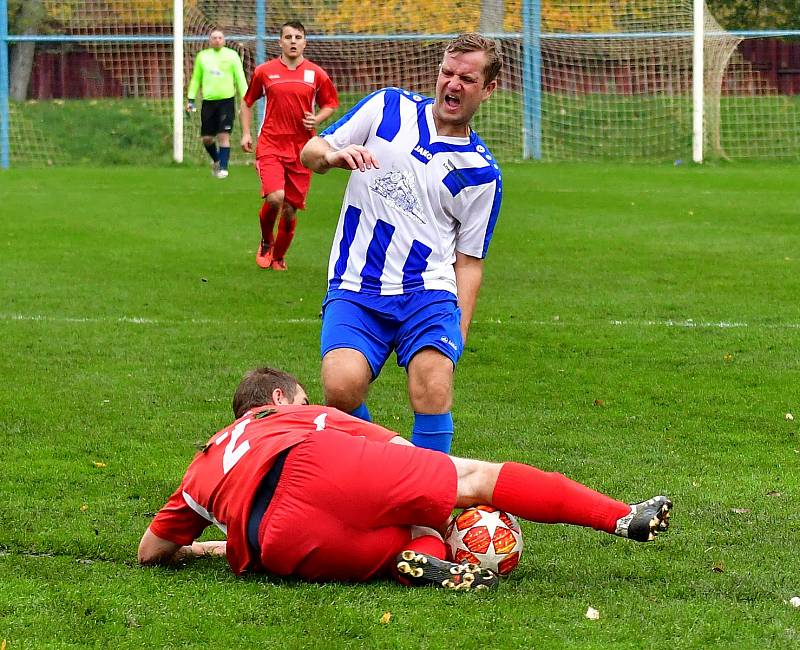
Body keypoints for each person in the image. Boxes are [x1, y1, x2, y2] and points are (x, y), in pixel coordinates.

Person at [138, 367, 674, 591]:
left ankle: (412, 559)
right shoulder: (283, 417)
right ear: (279, 399)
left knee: (399, 544)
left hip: (272, 545)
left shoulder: (200, 468)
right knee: (472, 479)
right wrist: (434, 492)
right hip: (309, 461)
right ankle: (621, 516)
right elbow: (398, 448)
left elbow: (151, 551)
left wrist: (204, 549)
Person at [300, 33, 503, 453]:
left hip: (427, 291)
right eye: (448, 72)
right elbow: (310, 151)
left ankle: (425, 511)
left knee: (433, 384)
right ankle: (389, 464)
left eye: (467, 78)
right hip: (357, 283)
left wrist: (457, 336)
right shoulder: (387, 107)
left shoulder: (482, 173)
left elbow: (468, 262)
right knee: (341, 385)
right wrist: (334, 156)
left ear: (488, 88)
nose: (453, 83)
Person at [240, 21, 339, 271]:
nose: (293, 41)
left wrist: (316, 118)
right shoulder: (265, 71)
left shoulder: (316, 74)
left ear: (305, 42)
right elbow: (247, 102)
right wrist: (244, 133)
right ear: (280, 42)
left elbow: (331, 103)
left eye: (298, 37)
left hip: (303, 150)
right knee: (275, 198)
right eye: (288, 37)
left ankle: (279, 257)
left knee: (290, 210)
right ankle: (266, 241)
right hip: (271, 144)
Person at [186, 29, 248, 179]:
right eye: (214, 37)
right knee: (207, 138)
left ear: (224, 40)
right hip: (208, 102)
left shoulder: (232, 55)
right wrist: (191, 99)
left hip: (226, 101)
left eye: (220, 37)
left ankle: (224, 169)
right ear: (209, 40)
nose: (217, 40)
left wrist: (246, 98)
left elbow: (240, 77)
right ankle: (217, 160)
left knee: (223, 135)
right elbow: (195, 79)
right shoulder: (203, 56)